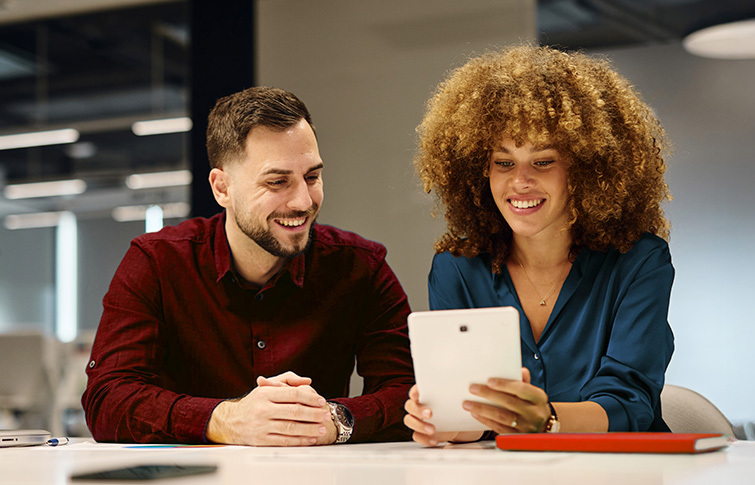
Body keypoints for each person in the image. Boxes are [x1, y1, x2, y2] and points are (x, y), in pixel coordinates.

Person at [82, 87, 414, 446]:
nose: (303, 200)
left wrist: (334, 419)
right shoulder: (157, 262)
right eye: (277, 182)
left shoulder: (361, 266)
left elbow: (409, 391)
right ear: (222, 188)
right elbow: (108, 398)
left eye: (312, 177)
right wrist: (225, 419)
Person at [404, 45, 675, 446]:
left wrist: (546, 420)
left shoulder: (638, 260)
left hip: (625, 474)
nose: (520, 181)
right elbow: (474, 416)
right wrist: (443, 423)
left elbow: (630, 403)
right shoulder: (457, 267)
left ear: (585, 168)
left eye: (543, 161)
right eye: (504, 162)